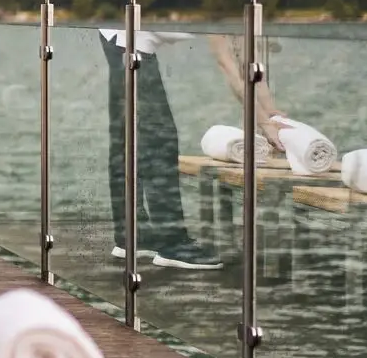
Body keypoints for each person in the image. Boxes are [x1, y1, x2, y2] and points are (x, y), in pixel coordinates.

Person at [97, 27, 289, 271]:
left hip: (124, 33)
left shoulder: (242, 9)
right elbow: (228, 65)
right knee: (159, 140)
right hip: (127, 36)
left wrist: (271, 113)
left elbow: (250, 67)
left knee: (129, 136)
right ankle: (173, 244)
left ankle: (133, 235)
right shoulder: (219, 3)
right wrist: (263, 122)